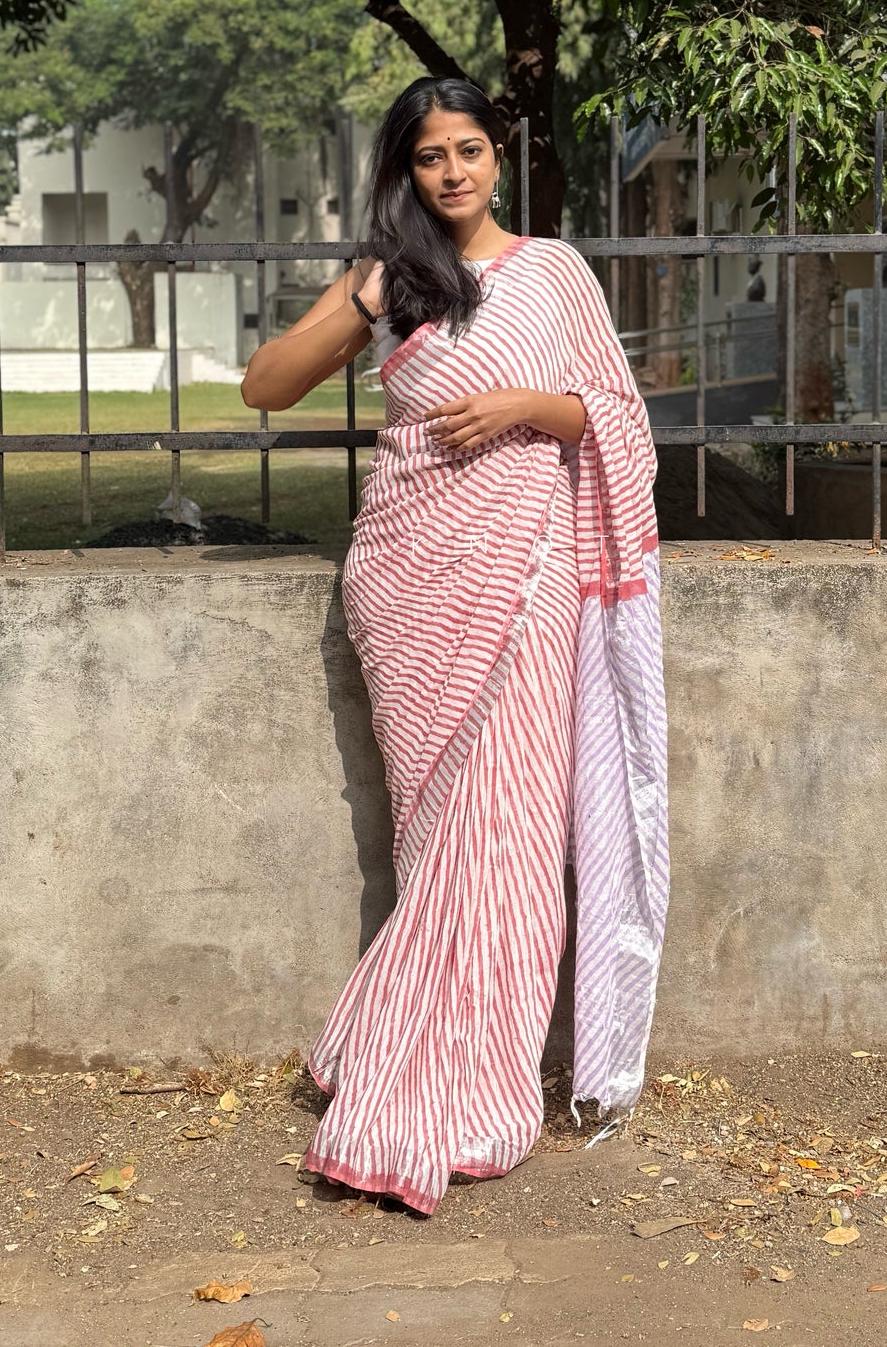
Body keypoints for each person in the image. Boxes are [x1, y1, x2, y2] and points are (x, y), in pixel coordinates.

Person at [242, 76, 668, 1216]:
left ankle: (474, 1091)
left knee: (514, 841)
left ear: (498, 156)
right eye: (429, 157)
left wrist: (531, 405)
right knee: (437, 841)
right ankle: (406, 1067)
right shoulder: (393, 280)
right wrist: (365, 295)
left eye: (470, 149)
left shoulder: (553, 271)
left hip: (525, 576)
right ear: (405, 170)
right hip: (408, 575)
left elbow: (616, 418)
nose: (453, 173)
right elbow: (264, 386)